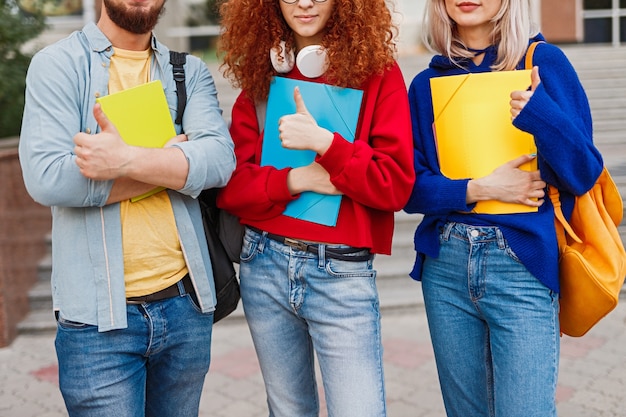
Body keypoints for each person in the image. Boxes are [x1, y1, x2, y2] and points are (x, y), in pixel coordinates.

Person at [18, 0, 235, 415]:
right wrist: (169, 162)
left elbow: (220, 161)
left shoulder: (188, 72)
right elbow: (48, 177)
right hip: (98, 321)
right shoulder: (58, 65)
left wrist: (124, 161)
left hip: (185, 305)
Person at [404, 1, 604, 416]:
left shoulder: (543, 61)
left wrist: (540, 114)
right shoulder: (427, 83)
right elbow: (410, 190)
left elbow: (583, 171)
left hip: (522, 264)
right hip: (446, 267)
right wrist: (478, 188)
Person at [216, 0, 415, 416]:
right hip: (264, 263)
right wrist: (297, 179)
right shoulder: (262, 75)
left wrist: (327, 146)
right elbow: (232, 188)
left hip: (340, 273)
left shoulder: (379, 75)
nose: (304, 3)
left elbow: (396, 186)